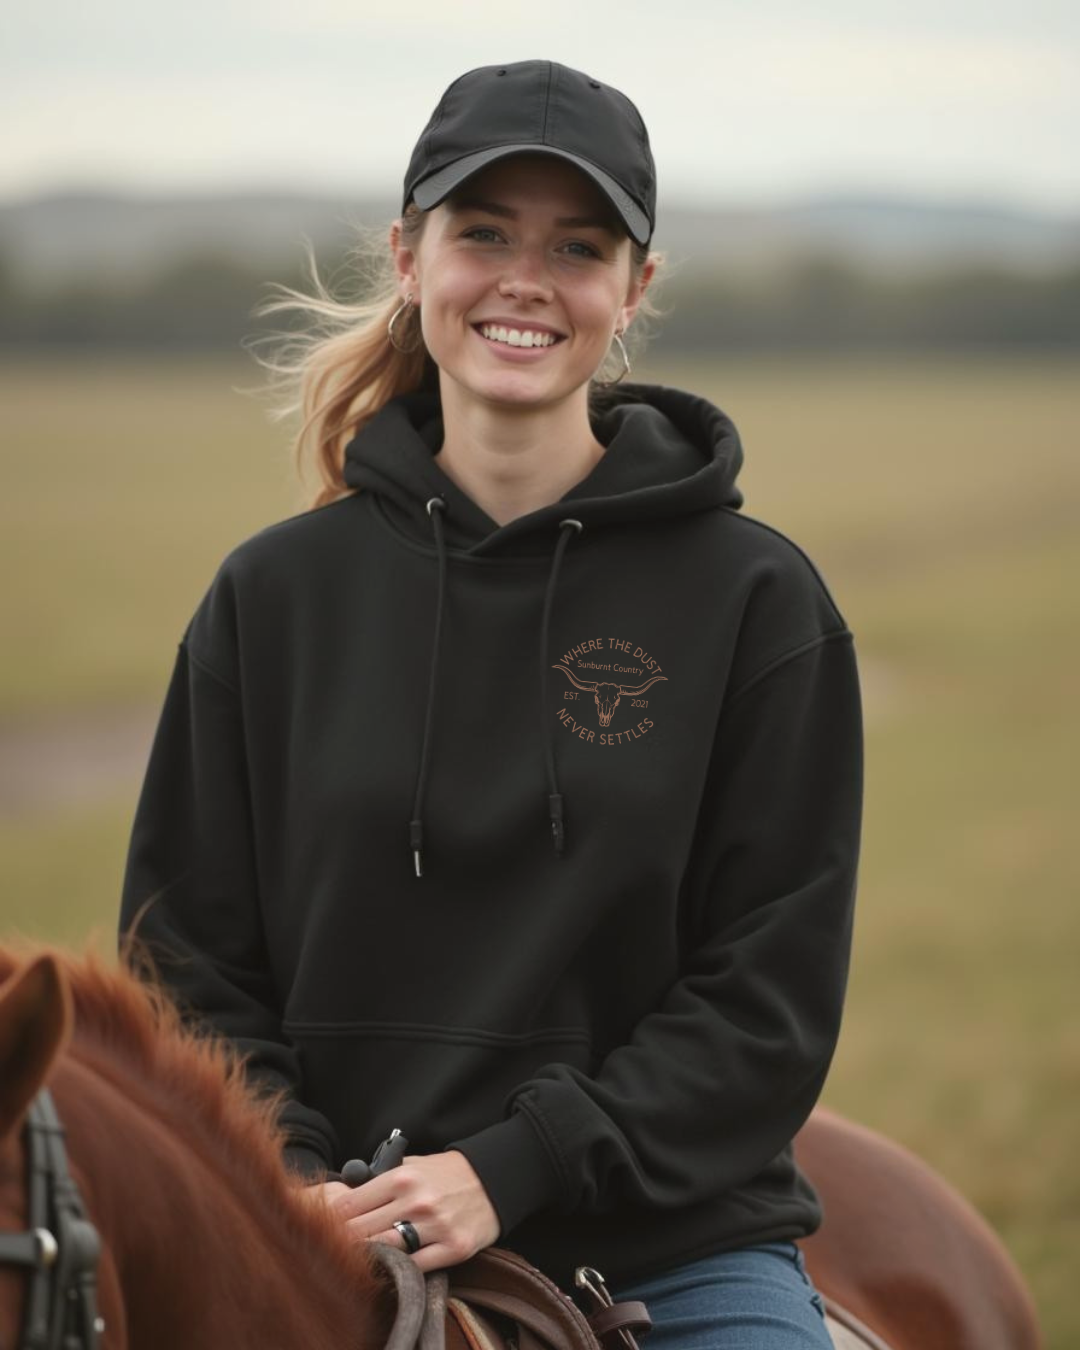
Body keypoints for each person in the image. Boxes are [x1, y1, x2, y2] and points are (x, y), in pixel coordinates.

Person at [120, 60, 862, 1349]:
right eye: (483, 234)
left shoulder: (758, 600)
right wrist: (299, 1177)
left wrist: (511, 1168)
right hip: (317, 1236)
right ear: (409, 258)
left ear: (635, 289)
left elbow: (769, 998)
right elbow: (186, 960)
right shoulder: (273, 597)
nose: (526, 279)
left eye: (577, 246)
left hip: (671, 1254)